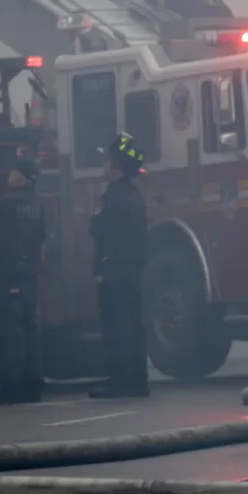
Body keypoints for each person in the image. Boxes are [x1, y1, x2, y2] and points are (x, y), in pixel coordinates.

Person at [0, 158, 45, 404]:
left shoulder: (4, 204)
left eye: (13, 171)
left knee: (10, 330)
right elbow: (41, 237)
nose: (9, 175)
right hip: (30, 275)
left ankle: (11, 386)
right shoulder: (37, 204)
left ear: (21, 177)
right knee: (30, 328)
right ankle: (33, 384)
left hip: (8, 274)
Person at [89, 132, 150, 399]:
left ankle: (119, 381)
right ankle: (138, 380)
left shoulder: (111, 196)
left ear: (115, 166)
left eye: (107, 160)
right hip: (133, 271)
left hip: (113, 271)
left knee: (115, 327)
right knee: (134, 325)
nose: (104, 164)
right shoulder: (136, 196)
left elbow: (97, 231)